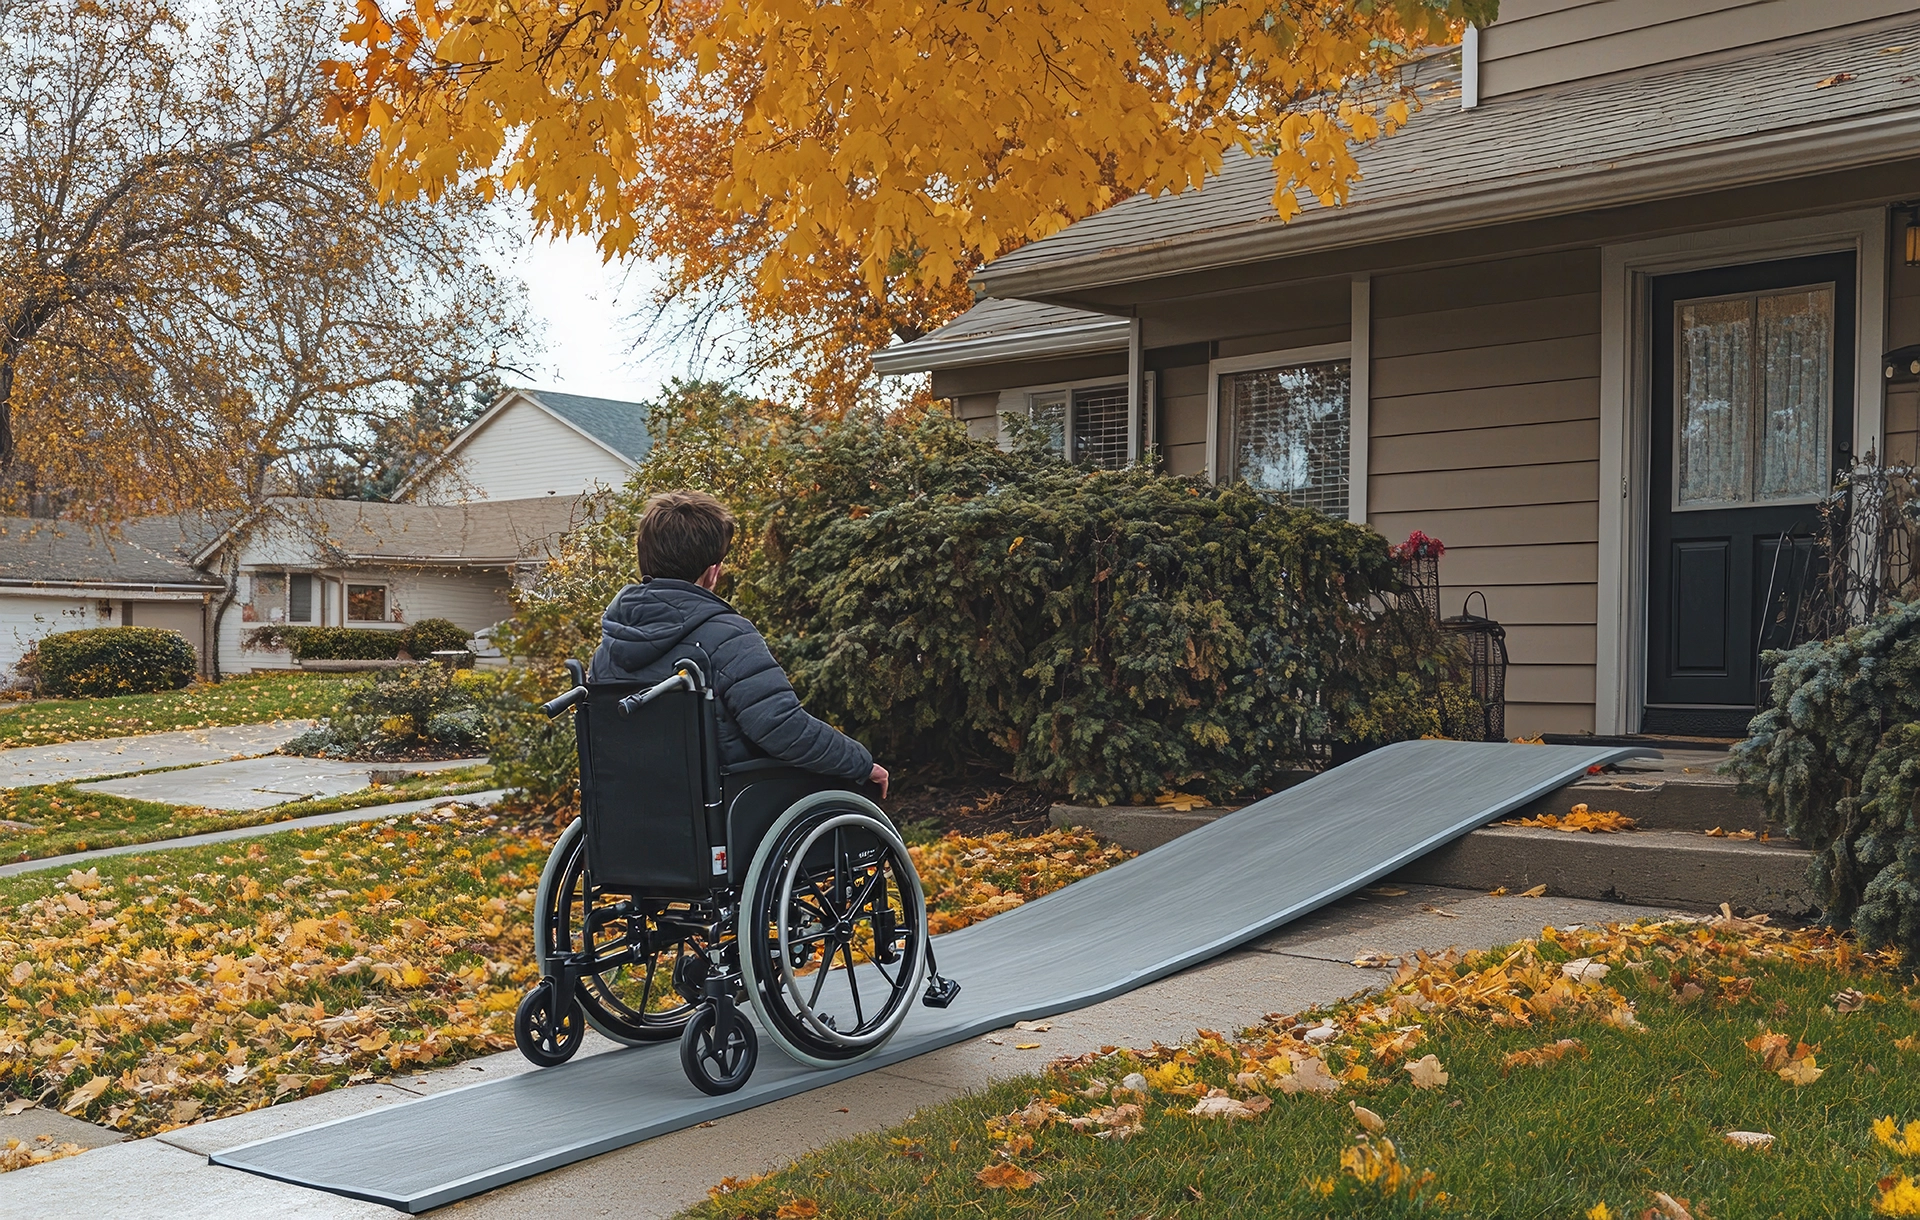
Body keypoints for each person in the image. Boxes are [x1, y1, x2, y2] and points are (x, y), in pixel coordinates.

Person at [588, 489, 888, 796]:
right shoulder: (727, 636)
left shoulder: (607, 649)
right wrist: (861, 762)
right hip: (727, 808)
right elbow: (783, 728)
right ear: (712, 572)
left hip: (630, 812)